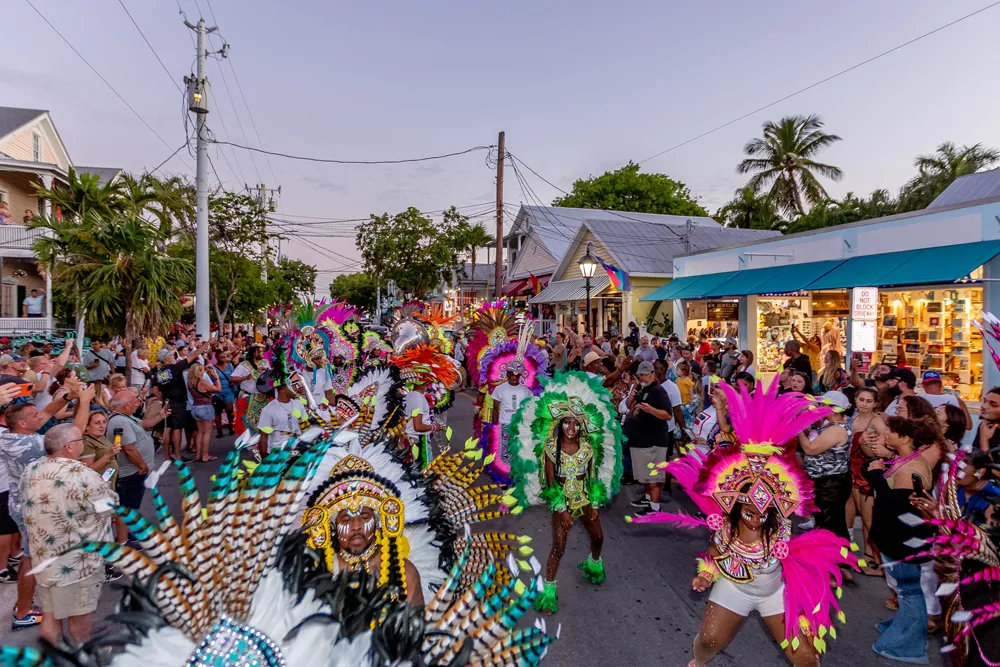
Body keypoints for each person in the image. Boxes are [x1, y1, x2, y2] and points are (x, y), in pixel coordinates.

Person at [633, 381, 857, 667]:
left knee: (806, 658)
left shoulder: (782, 520)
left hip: (775, 593)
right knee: (707, 642)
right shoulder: (724, 523)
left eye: (764, 510)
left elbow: (800, 555)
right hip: (733, 588)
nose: (756, 515)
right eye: (749, 509)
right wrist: (706, 575)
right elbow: (714, 552)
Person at [506, 371, 623, 615]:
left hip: (585, 496)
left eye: (575, 423)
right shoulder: (551, 447)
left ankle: (594, 563)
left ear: (581, 425)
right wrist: (562, 509)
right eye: (567, 422)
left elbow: (591, 477)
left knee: (598, 537)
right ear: (560, 424)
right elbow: (549, 482)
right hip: (562, 499)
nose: (571, 427)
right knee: (559, 546)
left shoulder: (588, 446)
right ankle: (548, 593)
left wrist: (594, 504)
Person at [20, 423, 115, 645]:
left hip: (44, 558)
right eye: (80, 439)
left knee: (50, 618)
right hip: (77, 564)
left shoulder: (31, 469)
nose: (83, 443)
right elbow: (109, 508)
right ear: (69, 447)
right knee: (79, 623)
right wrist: (107, 488)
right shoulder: (84, 475)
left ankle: (53, 656)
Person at [303, 454, 424, 605]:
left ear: (377, 521)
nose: (356, 526)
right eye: (346, 520)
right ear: (332, 527)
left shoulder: (405, 573)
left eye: (365, 517)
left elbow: (417, 619)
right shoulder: (317, 574)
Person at [864, 416, 935, 664]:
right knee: (905, 589)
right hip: (897, 536)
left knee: (909, 590)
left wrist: (875, 475)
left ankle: (911, 645)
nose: (885, 435)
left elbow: (890, 503)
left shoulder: (910, 469)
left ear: (904, 438)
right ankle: (903, 625)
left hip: (904, 540)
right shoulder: (904, 459)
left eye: (890, 432)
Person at [797, 392, 853, 569]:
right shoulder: (832, 425)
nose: (820, 408)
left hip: (830, 484)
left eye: (823, 405)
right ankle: (842, 564)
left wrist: (798, 431)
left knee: (829, 525)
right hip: (828, 482)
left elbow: (810, 449)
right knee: (833, 523)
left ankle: (833, 565)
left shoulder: (837, 429)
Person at [106, 390, 157, 545]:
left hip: (133, 471)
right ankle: (123, 540)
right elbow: (128, 448)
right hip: (130, 472)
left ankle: (127, 534)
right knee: (126, 507)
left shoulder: (126, 417)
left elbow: (144, 424)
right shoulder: (120, 422)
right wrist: (142, 465)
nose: (138, 403)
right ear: (127, 405)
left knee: (130, 506)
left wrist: (161, 416)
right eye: (135, 401)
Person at [847, 386, 887, 576]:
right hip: (853, 471)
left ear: (875, 403)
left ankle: (882, 563)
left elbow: (883, 449)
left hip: (867, 474)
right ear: (855, 400)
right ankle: (869, 556)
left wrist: (867, 446)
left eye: (869, 401)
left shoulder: (876, 421)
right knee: (864, 519)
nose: (864, 404)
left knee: (870, 520)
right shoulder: (854, 418)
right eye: (861, 400)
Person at [625, 361, 673, 514]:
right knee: (644, 475)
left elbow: (667, 414)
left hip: (653, 442)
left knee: (653, 477)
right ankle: (648, 498)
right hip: (641, 441)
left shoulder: (658, 391)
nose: (642, 378)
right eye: (640, 375)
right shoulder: (641, 388)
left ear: (653, 374)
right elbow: (629, 406)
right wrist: (631, 397)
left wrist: (651, 410)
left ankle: (655, 507)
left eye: (645, 374)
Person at [153, 341, 210, 460]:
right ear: (166, 359)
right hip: (178, 402)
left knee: (167, 428)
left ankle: (167, 456)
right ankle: (178, 456)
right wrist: (206, 345)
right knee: (177, 429)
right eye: (171, 355)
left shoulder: (158, 373)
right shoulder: (174, 368)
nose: (174, 356)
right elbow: (193, 356)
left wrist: (162, 398)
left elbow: (155, 389)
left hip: (167, 403)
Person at [489, 367, 533, 482]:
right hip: (505, 425)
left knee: (519, 451)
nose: (514, 377)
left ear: (520, 375)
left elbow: (530, 408)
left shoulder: (526, 390)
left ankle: (517, 475)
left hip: (520, 426)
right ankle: (506, 476)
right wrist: (494, 427)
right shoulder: (499, 389)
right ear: (507, 374)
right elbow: (495, 409)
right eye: (511, 374)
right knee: (504, 453)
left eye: (516, 375)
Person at [231, 343, 268, 436]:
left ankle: (260, 440)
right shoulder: (244, 365)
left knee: (263, 422)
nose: (262, 353)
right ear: (254, 353)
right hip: (247, 397)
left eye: (263, 351)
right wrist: (246, 377)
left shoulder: (266, 363)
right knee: (247, 421)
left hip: (263, 397)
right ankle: (248, 440)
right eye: (260, 351)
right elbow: (233, 378)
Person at [186, 363, 220, 463]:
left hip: (195, 407)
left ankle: (198, 455)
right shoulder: (202, 382)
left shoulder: (190, 382)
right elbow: (218, 389)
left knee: (200, 431)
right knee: (207, 433)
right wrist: (216, 378)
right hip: (205, 407)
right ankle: (205, 455)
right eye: (201, 370)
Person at [212, 350, 236, 438]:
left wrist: (234, 383)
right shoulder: (213, 368)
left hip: (229, 390)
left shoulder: (230, 366)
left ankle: (230, 426)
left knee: (230, 409)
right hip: (218, 392)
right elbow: (210, 380)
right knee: (218, 412)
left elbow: (234, 376)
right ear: (217, 358)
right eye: (221, 357)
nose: (223, 359)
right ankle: (219, 430)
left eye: (224, 357)